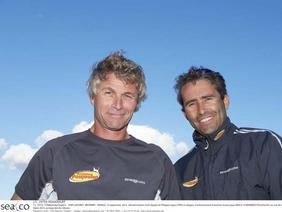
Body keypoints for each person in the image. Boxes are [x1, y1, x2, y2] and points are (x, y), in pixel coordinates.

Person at [11, 52, 180, 200]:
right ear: (93, 97)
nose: (118, 104)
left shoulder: (158, 160)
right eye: (109, 93)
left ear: (136, 103)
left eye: (127, 96)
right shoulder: (55, 152)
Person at [174, 66, 282, 200]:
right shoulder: (179, 170)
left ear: (225, 101)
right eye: (191, 104)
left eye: (208, 99)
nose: (201, 111)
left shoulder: (264, 144)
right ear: (185, 114)